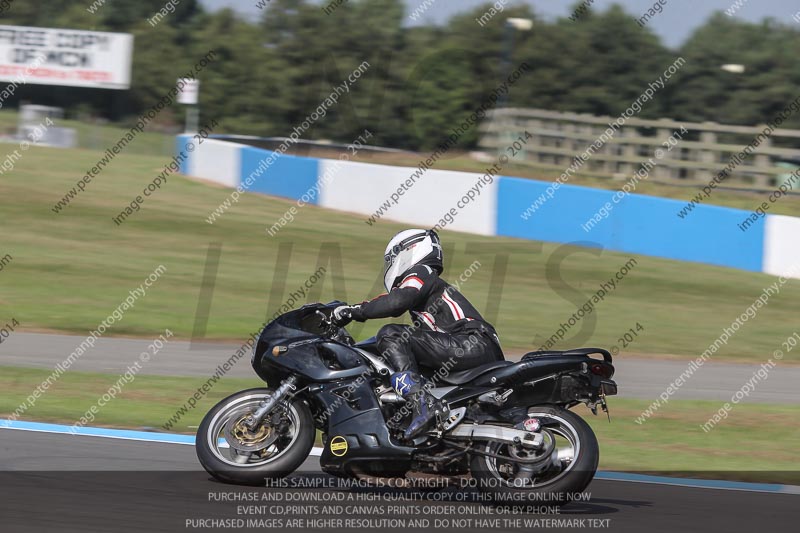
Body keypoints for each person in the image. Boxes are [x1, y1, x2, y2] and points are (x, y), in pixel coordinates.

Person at [333, 229, 503, 440]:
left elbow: (397, 301)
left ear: (407, 250)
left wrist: (353, 311)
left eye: (390, 259)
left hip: (472, 341)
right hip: (473, 345)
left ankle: (423, 404)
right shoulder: (427, 288)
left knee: (391, 334)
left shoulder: (422, 271)